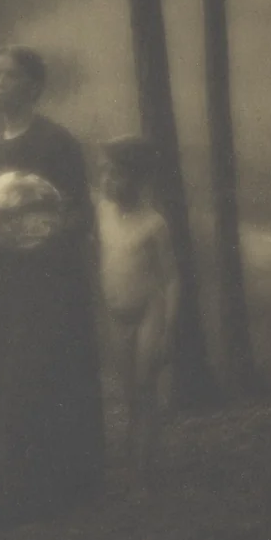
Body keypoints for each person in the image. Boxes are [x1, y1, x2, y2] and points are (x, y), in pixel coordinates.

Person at [0, 45, 106, 529]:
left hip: (48, 280)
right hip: (2, 281)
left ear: (35, 86)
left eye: (10, 75)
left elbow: (82, 213)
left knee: (40, 377)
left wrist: (45, 233)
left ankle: (52, 489)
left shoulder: (56, 142)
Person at [97, 136, 180, 489]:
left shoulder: (153, 223)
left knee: (145, 388)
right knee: (128, 391)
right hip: (118, 314)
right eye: (105, 173)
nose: (108, 181)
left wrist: (168, 328)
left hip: (149, 312)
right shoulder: (101, 210)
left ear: (138, 179)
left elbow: (172, 278)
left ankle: (144, 470)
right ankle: (136, 457)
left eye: (117, 175)